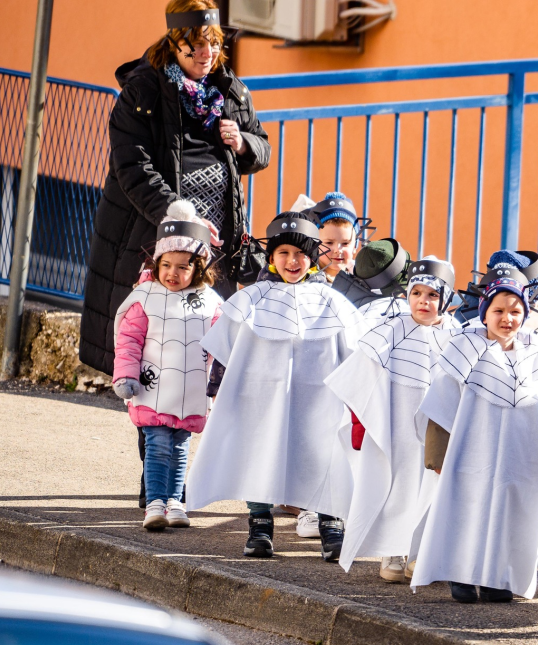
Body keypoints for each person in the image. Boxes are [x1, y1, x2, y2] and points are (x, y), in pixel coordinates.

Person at [82, 0, 269, 375]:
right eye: (197, 45)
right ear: (175, 41)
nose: (207, 53)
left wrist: (243, 143)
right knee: (153, 346)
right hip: (157, 231)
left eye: (214, 44)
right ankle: (155, 430)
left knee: (204, 345)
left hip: (217, 237)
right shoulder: (143, 91)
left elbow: (261, 149)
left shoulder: (228, 89)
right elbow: (132, 166)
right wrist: (181, 216)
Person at [186, 212, 363, 559]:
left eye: (300, 254)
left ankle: (330, 525)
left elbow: (353, 355)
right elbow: (228, 352)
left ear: (312, 257)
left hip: (320, 400)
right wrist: (217, 390)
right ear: (271, 257)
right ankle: (260, 524)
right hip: (259, 397)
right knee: (260, 456)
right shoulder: (250, 300)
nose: (292, 261)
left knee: (322, 457)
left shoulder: (334, 304)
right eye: (283, 253)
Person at [412, 263, 538, 602]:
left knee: (512, 514)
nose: (508, 318)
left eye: (516, 311)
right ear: (485, 313)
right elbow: (441, 407)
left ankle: (498, 577)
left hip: (519, 456)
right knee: (467, 509)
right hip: (470, 453)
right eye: (499, 310)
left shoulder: (536, 354)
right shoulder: (462, 351)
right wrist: (437, 454)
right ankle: (460, 573)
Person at [328, 257, 460, 582]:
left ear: (444, 299)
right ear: (407, 295)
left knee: (431, 487)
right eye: (417, 293)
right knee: (397, 484)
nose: (423, 301)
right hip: (397, 422)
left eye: (432, 295)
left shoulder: (457, 335)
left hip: (437, 426)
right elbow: (359, 370)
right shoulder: (393, 329)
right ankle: (392, 551)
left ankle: (420, 553)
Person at [112, 200, 222, 530]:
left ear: (198, 268)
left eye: (183, 267)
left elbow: (224, 345)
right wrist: (125, 377)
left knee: (180, 451)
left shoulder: (210, 303)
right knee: (158, 447)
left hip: (190, 394)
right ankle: (155, 503)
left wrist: (221, 384)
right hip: (152, 389)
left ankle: (175, 501)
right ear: (157, 263)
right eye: (167, 264)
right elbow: (128, 341)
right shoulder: (144, 297)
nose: (173, 273)